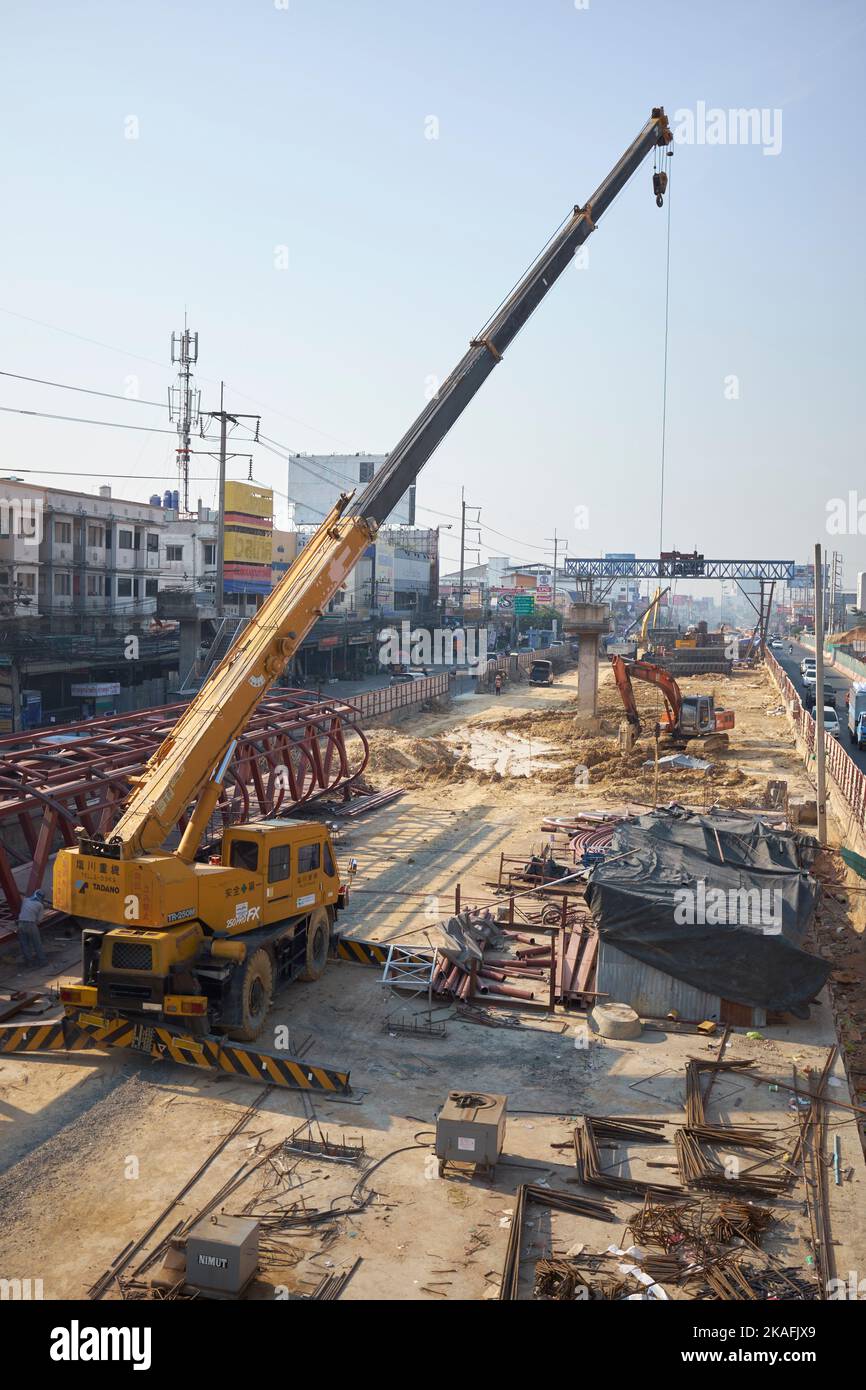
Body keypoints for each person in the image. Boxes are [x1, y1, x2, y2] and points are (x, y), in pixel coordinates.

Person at [17, 889, 48, 968]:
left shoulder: (25, 900)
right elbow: (39, 920)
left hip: (20, 924)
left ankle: (29, 962)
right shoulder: (40, 905)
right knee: (37, 943)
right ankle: (42, 961)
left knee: (25, 944)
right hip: (31, 924)